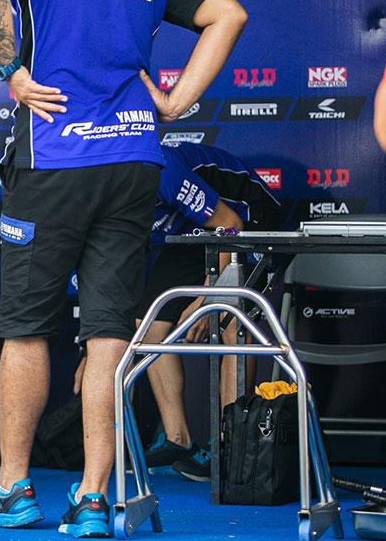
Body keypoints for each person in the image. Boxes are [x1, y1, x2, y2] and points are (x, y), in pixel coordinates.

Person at [0, 0, 248, 538]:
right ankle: (94, 498)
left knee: (26, 327)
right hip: (135, 162)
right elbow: (228, 13)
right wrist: (176, 100)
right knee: (110, 331)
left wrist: (11, 70)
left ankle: (13, 487)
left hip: (56, 159)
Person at [74, 142, 283, 480]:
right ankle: (178, 439)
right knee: (148, 326)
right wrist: (92, 350)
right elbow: (108, 278)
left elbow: (229, 224)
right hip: (192, 230)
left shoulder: (160, 171)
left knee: (231, 323)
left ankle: (231, 445)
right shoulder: (93, 198)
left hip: (244, 218)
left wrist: (207, 297)